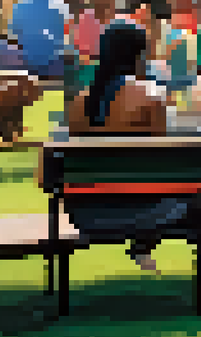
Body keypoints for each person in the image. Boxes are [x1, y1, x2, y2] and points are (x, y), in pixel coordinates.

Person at [64, 22, 175, 272]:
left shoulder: (81, 101)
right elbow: (162, 156)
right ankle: (142, 247)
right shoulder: (152, 96)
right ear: (138, 56)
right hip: (144, 207)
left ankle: (142, 249)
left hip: (84, 209)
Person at [7, 0, 71, 79]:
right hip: (56, 65)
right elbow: (64, 38)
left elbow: (14, 37)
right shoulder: (61, 6)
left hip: (27, 64)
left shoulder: (18, 7)